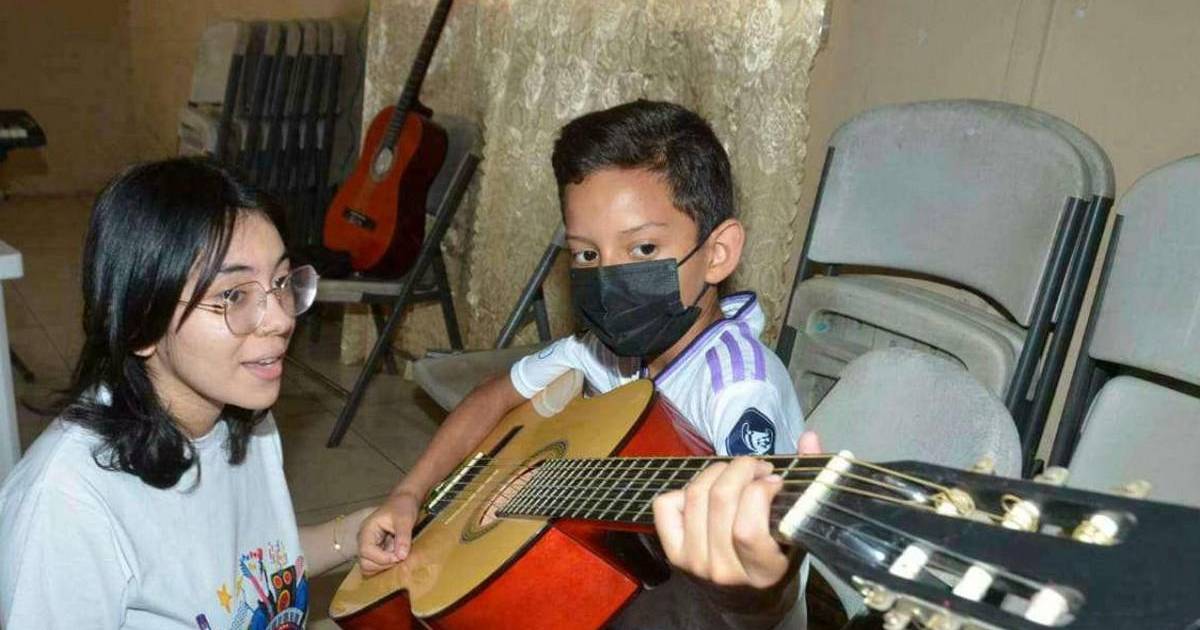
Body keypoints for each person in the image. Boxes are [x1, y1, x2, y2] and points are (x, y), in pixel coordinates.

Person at [358, 100, 819, 628]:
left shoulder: (739, 391)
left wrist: (759, 585)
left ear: (717, 253)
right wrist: (409, 493)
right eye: (586, 255)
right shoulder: (606, 347)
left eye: (643, 248)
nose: (609, 279)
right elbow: (495, 394)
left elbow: (768, 582)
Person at [0, 158, 374, 629]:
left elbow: (250, 568)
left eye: (280, 282)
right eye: (233, 295)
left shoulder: (243, 415)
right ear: (141, 322)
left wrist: (352, 535)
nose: (281, 318)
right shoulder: (66, 505)